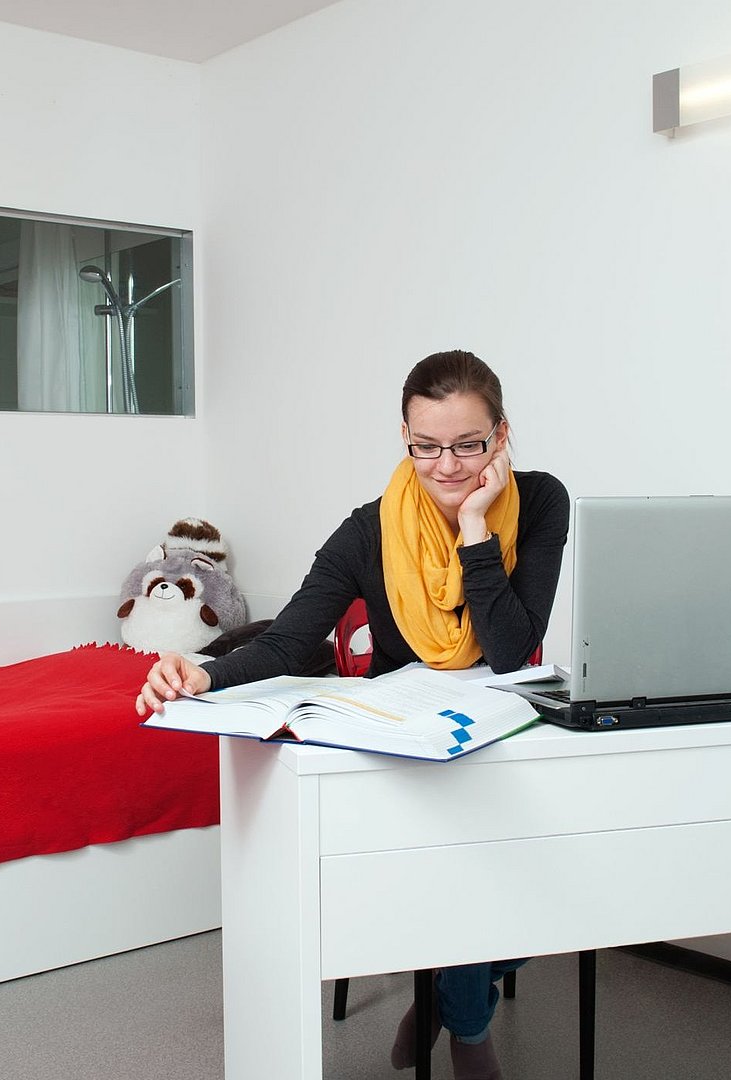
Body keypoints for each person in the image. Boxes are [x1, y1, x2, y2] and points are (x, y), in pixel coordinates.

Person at [136, 349, 569, 1080]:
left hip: (504, 722)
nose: (447, 466)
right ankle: (467, 1025)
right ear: (404, 436)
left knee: (557, 868)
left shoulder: (542, 501)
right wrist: (200, 675)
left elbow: (506, 649)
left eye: (468, 445)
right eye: (425, 446)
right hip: (406, 738)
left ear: (501, 435)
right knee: (459, 860)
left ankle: (441, 992)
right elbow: (288, 641)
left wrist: (473, 529)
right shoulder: (368, 530)